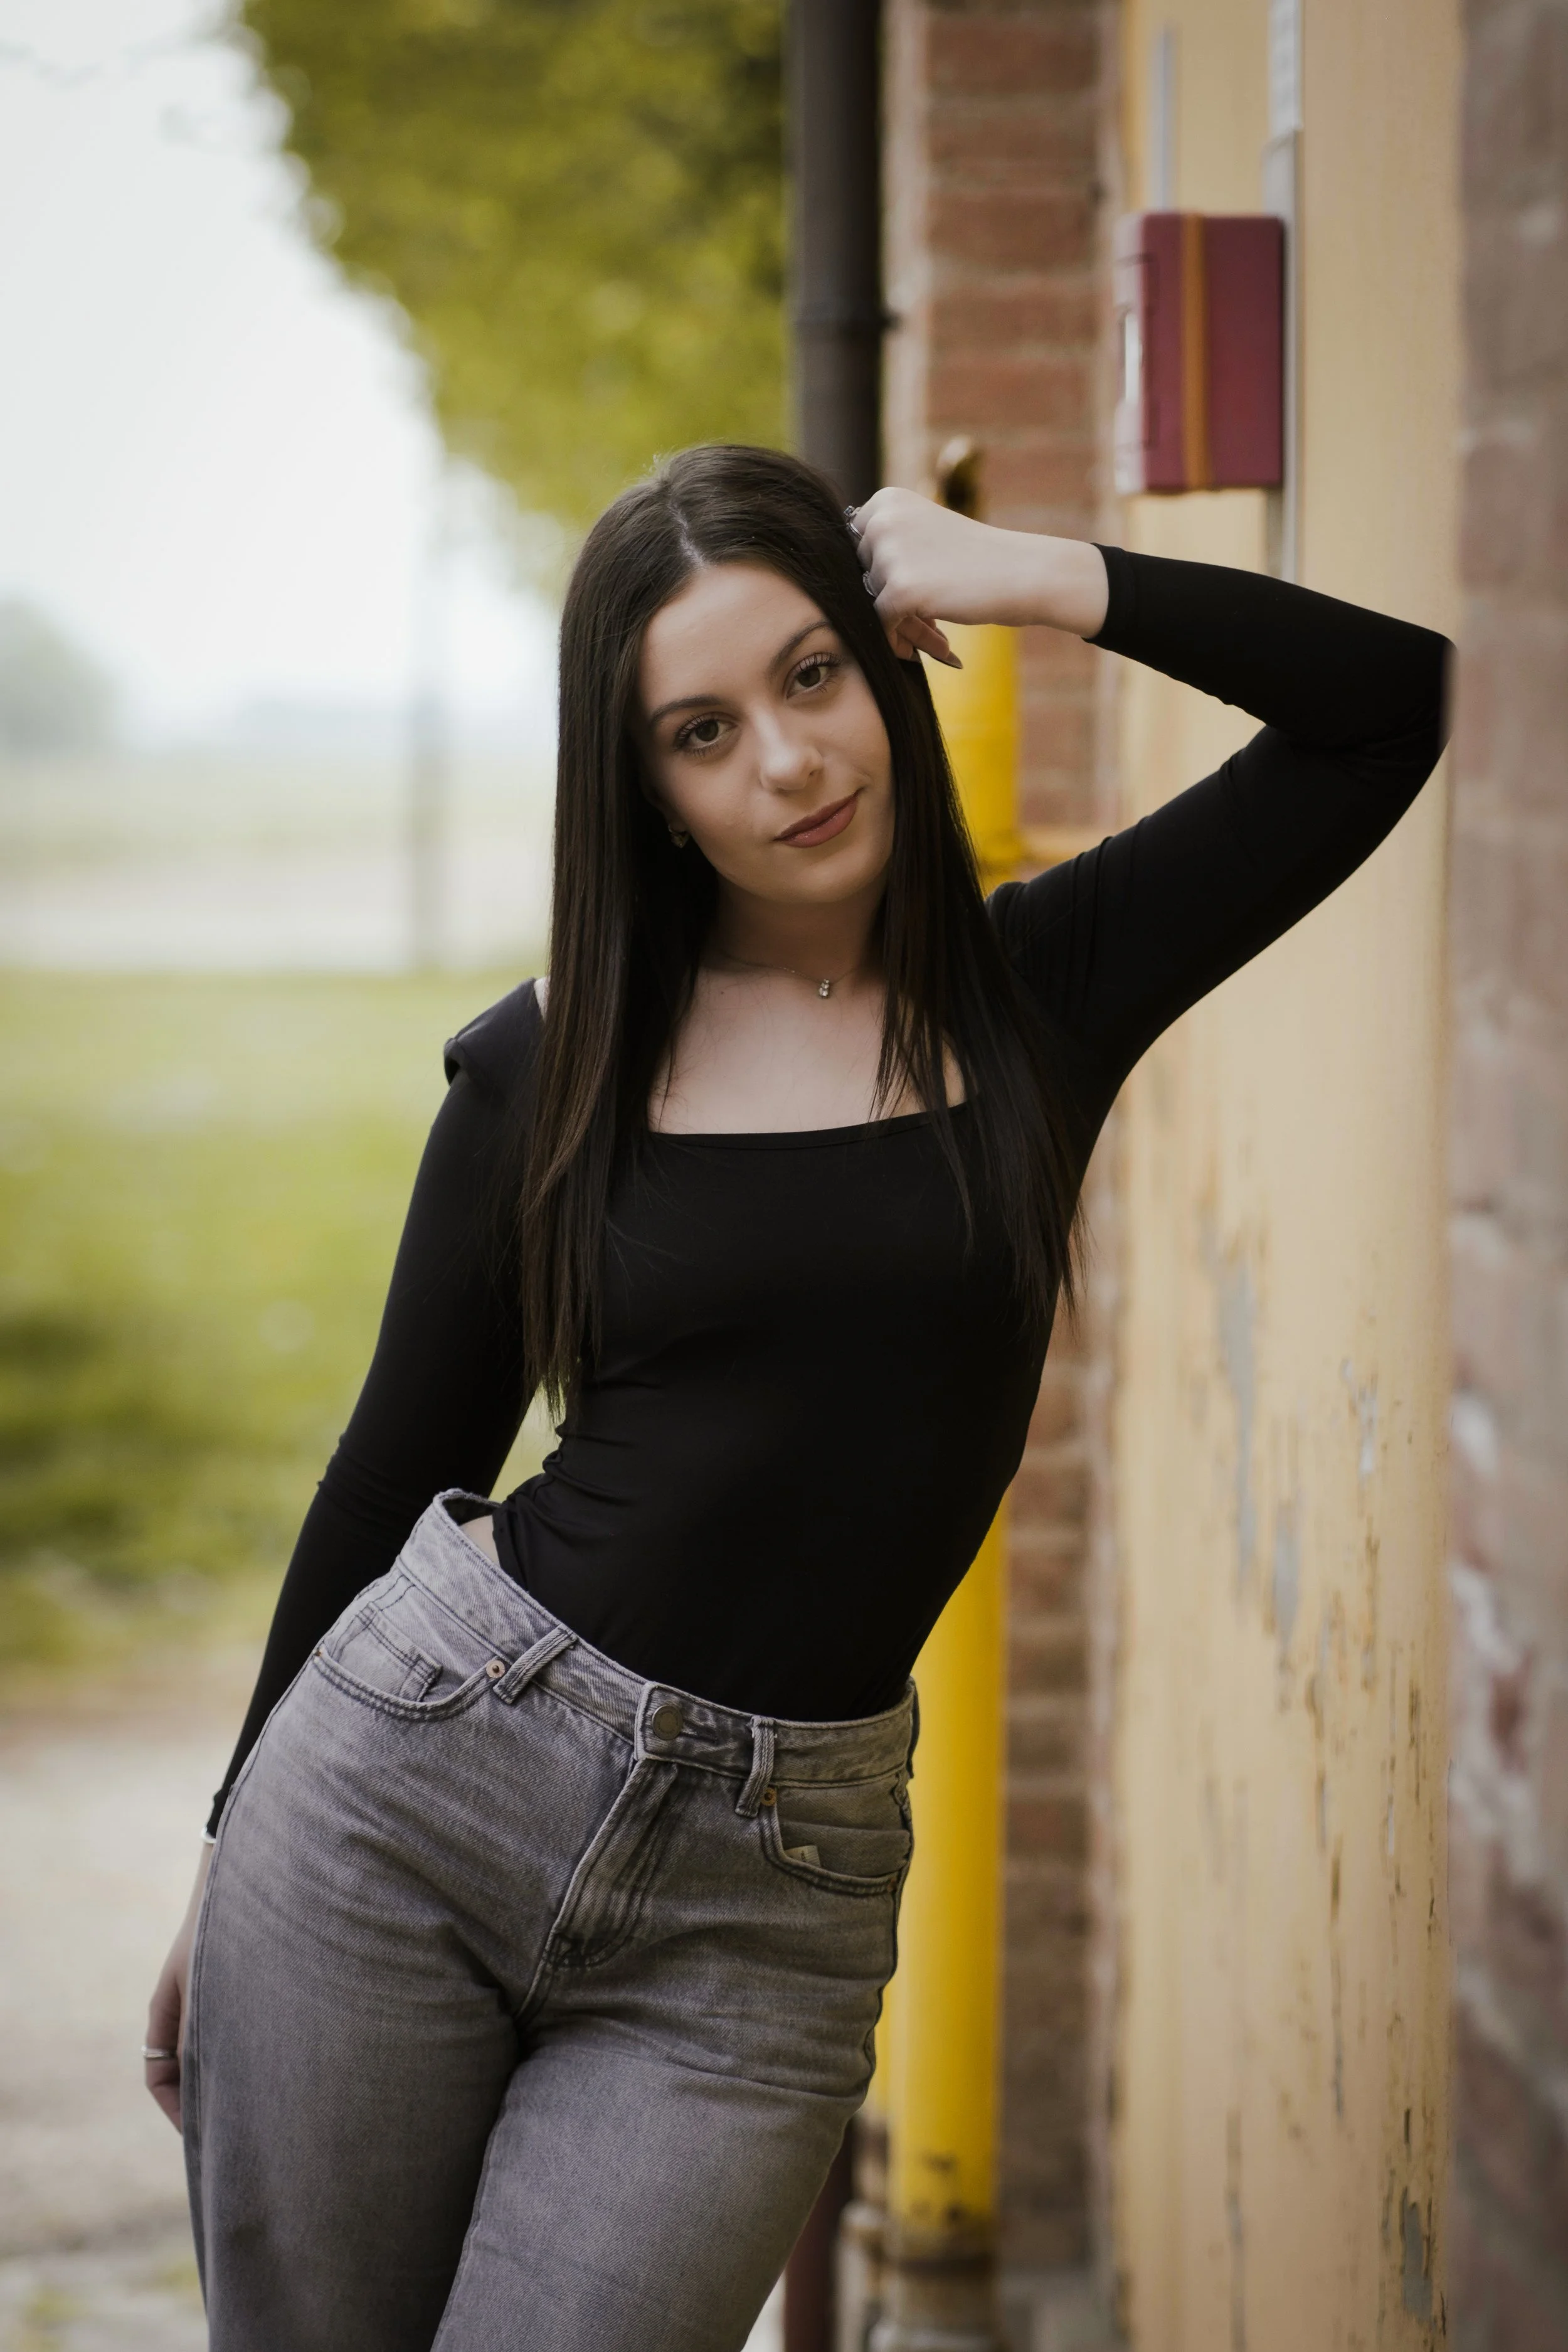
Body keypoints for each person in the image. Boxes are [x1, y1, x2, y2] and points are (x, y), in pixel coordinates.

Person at [143, 444, 1448, 2352]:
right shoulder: (550, 1068)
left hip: (767, 1909)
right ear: (646, 787)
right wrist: (224, 1843)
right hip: (405, 1802)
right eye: (702, 727)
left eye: (812, 674)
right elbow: (395, 1467)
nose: (784, 759)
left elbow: (1387, 706)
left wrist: (1041, 572)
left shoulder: (1036, 991)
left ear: (886, 660)